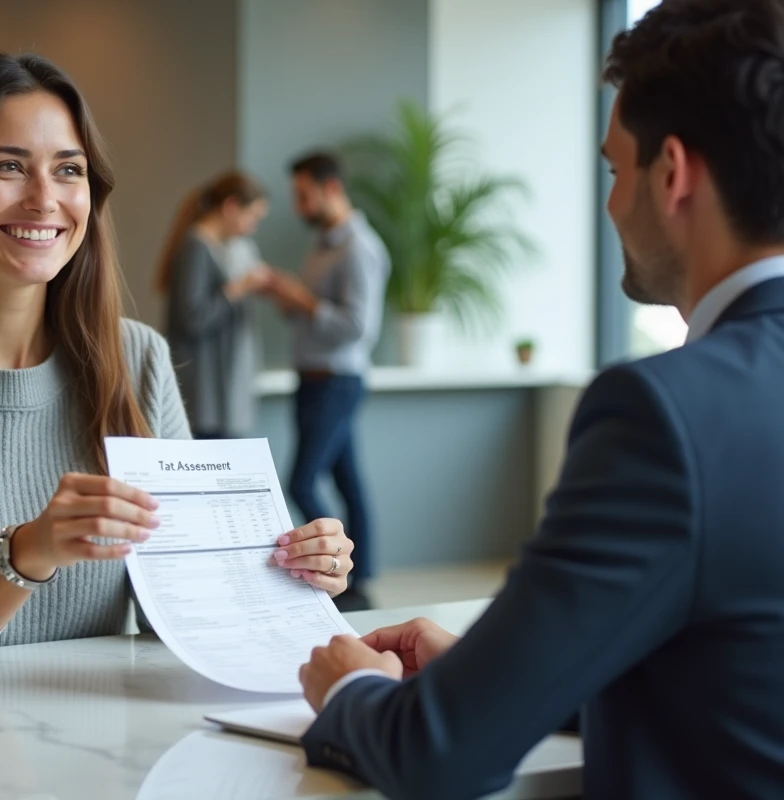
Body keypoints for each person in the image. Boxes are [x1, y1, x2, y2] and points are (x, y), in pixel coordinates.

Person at [298, 2, 784, 796]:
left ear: (673, 175)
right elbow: (742, 676)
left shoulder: (663, 415)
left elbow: (441, 755)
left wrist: (352, 689)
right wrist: (504, 679)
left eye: (615, 170)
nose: (611, 203)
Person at [0, 53, 355, 665]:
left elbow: (187, 601)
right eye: (8, 166)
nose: (44, 199)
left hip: (85, 742)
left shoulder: (137, 359)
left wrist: (288, 570)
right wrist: (30, 551)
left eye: (68, 170)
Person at [259, 152, 389, 612]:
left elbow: (359, 328)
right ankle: (362, 580)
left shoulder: (361, 248)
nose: (298, 207)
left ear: (330, 188)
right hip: (313, 380)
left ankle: (336, 571)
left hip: (337, 380)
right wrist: (290, 297)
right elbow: (315, 312)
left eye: (303, 195)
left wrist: (304, 301)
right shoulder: (322, 245)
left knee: (301, 481)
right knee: (348, 480)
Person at [158, 171, 272, 439]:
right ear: (231, 207)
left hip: (216, 396)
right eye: (252, 217)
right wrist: (238, 289)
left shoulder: (216, 247)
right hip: (203, 394)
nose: (253, 227)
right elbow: (192, 318)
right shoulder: (196, 248)